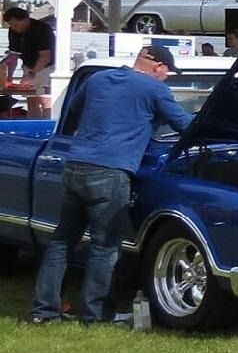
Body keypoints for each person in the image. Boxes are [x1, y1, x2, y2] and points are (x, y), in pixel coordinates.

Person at [30, 46, 192, 324]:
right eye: (168, 72)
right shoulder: (154, 89)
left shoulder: (97, 79)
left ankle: (44, 311)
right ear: (158, 67)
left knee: (62, 240)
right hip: (111, 170)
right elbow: (186, 126)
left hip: (76, 164)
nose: (167, 77)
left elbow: (77, 111)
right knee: (105, 245)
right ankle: (97, 315)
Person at [3, 6, 57, 118]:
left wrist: (31, 74)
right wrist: (7, 77)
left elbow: (45, 56)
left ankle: (48, 127)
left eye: (15, 25)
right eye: (11, 25)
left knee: (45, 99)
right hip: (28, 65)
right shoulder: (13, 32)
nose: (13, 28)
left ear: (25, 19)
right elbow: (14, 54)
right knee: (31, 99)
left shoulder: (42, 29)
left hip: (47, 66)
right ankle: (33, 127)